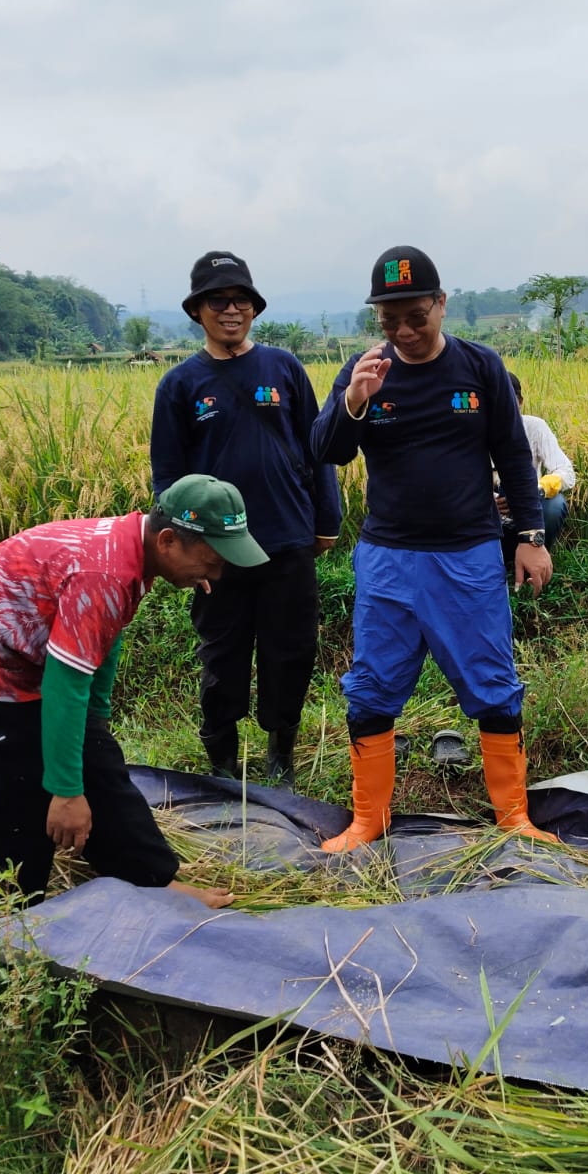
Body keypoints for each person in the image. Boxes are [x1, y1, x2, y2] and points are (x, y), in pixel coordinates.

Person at [0, 475, 270, 908]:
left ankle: (153, 882)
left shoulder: (133, 550)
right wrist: (66, 792)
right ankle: (13, 921)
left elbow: (100, 645)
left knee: (100, 767)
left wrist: (94, 731)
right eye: (211, 561)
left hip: (21, 661)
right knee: (19, 808)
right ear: (169, 541)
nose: (216, 574)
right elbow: (67, 680)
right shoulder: (105, 571)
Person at [310, 244, 555, 851]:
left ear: (442, 305)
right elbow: (326, 449)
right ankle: (369, 819)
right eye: (389, 320)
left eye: (416, 315)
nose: (404, 331)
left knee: (494, 682)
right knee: (371, 685)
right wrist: (354, 401)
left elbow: (514, 457)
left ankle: (513, 818)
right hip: (387, 558)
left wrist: (529, 537)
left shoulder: (480, 367)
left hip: (468, 555)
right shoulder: (363, 369)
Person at [151, 251, 342, 787]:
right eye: (218, 300)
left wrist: (326, 522)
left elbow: (318, 449)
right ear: (198, 311)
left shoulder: (283, 367)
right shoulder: (179, 385)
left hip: (287, 540)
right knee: (223, 657)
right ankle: (221, 762)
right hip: (215, 555)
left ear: (254, 308)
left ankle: (281, 751)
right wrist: (184, 547)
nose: (231, 310)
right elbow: (167, 478)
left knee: (291, 653)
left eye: (241, 300)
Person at [496, 372, 576, 567]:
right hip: (490, 511)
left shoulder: (535, 427)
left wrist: (536, 490)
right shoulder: (474, 431)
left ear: (520, 402)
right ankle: (500, 562)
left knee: (555, 504)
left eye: (509, 401)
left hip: (530, 507)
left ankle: (537, 558)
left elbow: (565, 472)